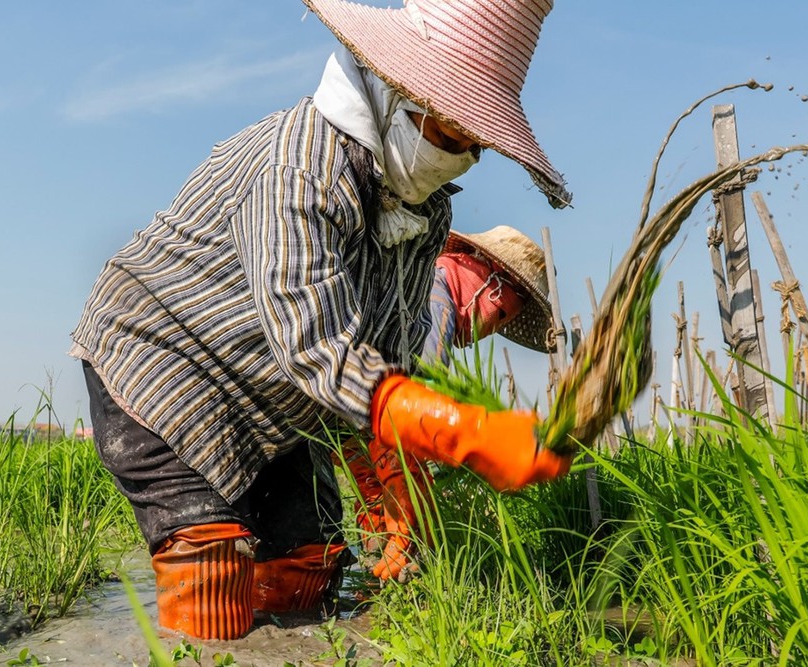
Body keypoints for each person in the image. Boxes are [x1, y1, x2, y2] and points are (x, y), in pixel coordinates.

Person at [70, 0, 572, 640]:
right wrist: (464, 431)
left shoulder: (427, 214)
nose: (462, 157)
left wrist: (398, 494)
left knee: (311, 576)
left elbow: (385, 362)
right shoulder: (300, 167)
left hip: (280, 404)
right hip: (166, 365)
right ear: (393, 91)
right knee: (214, 599)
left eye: (477, 144)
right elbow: (319, 349)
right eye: (450, 131)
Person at [343, 224, 557, 581]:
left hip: (332, 420)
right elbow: (415, 410)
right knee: (408, 530)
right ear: (492, 283)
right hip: (378, 432)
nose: (485, 331)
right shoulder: (434, 295)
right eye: (501, 314)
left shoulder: (414, 278)